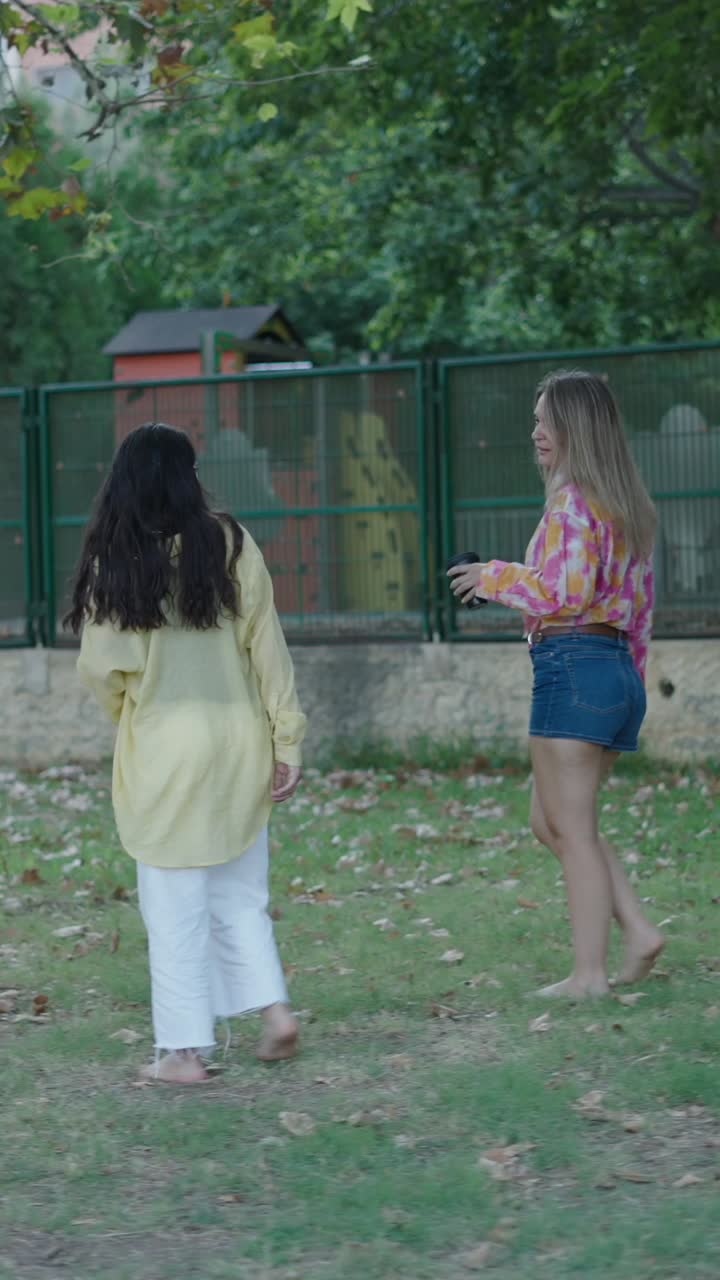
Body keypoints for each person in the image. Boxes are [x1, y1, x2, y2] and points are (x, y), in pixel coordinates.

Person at [66, 423, 306, 1083]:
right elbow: (268, 646)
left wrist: (131, 713)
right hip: (239, 740)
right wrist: (286, 737)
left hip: (167, 746)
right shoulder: (230, 542)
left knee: (172, 902)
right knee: (240, 894)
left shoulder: (116, 561)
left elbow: (102, 671)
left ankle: (180, 1053)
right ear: (186, 477)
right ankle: (275, 1011)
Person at [448, 370, 664, 998]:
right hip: (613, 671)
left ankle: (589, 976)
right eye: (537, 419)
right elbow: (642, 609)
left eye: (546, 421)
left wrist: (492, 577)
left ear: (577, 429)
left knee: (568, 829)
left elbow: (564, 594)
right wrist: (629, 690)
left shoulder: (573, 506)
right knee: (555, 821)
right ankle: (640, 931)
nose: (536, 432)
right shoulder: (625, 508)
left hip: (574, 666)